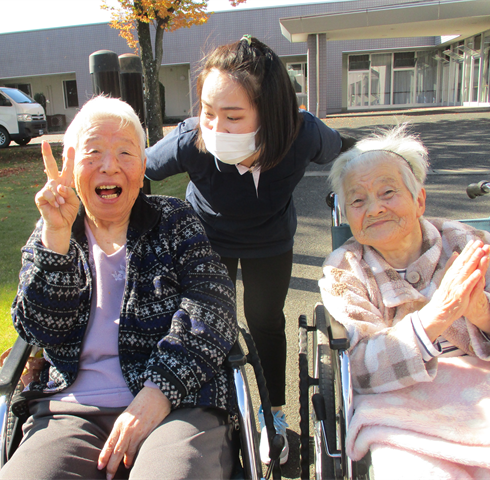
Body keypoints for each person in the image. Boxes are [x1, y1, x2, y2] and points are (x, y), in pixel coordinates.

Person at [0, 96, 239, 480]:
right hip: (70, 411)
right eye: (93, 152)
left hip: (180, 405)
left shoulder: (174, 220)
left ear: (142, 170)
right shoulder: (53, 232)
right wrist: (56, 240)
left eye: (126, 152)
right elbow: (38, 331)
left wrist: (158, 392)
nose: (109, 165)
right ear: (72, 167)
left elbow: (212, 307)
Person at [144, 34, 353, 464]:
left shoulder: (303, 134)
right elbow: (137, 167)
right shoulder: (190, 140)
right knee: (209, 323)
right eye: (208, 112)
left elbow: (342, 145)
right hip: (207, 240)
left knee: (265, 321)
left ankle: (272, 414)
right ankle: (216, 410)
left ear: (272, 113)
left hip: (269, 240)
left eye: (233, 116)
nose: (216, 128)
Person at [319, 125, 490, 479]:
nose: (374, 209)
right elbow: (357, 368)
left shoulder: (470, 243)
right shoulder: (344, 269)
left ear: (419, 200)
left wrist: (481, 311)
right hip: (402, 410)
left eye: (388, 192)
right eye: (357, 201)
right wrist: (437, 316)